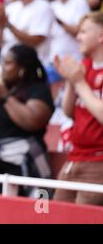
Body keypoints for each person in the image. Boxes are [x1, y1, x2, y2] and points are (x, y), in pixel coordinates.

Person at [0, 44, 54, 196]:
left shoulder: (37, 89)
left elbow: (33, 121)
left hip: (17, 167)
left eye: (8, 63)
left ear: (22, 68)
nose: (2, 67)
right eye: (2, 62)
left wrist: (5, 96)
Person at [53, 12, 103, 206]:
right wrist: (69, 79)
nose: (78, 36)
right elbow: (69, 112)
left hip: (98, 162)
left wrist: (79, 82)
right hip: (74, 158)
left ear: (100, 36)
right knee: (56, 215)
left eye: (83, 32)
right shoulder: (84, 66)